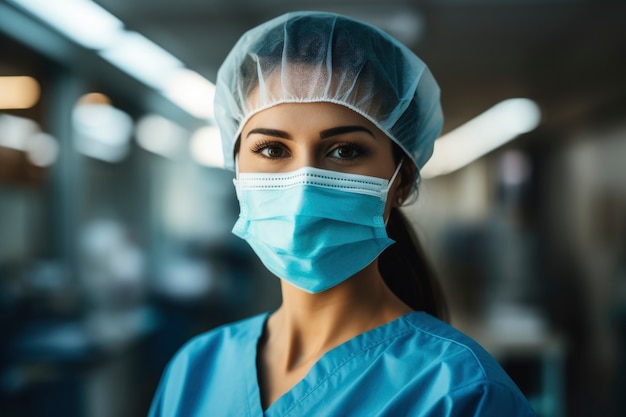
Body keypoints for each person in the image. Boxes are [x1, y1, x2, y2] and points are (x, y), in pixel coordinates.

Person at [148, 11, 537, 416]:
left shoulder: (462, 393)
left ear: (400, 182)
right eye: (272, 150)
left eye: (344, 151)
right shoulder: (196, 370)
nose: (303, 187)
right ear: (237, 168)